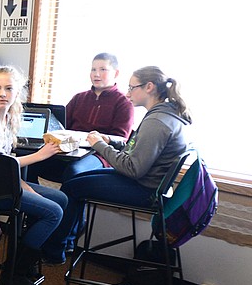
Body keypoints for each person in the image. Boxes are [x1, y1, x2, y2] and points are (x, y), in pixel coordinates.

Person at [41, 65, 193, 262]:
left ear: (149, 87)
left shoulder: (157, 122)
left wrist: (100, 146)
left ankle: (54, 250)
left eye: (131, 88)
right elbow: (137, 146)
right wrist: (111, 141)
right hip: (149, 183)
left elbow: (133, 167)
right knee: (76, 180)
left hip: (145, 190)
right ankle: (65, 239)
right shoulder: (165, 114)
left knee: (72, 187)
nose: (128, 92)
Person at [0, 65, 69, 285]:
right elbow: (1, 166)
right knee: (54, 212)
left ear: (16, 93)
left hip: (2, 180)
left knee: (61, 198)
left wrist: (26, 186)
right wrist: (40, 156)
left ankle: (22, 262)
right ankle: (14, 273)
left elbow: (6, 163)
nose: (2, 94)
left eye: (8, 89)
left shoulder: (8, 118)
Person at [29, 53, 135, 184]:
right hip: (70, 149)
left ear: (116, 73)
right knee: (30, 162)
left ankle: (65, 204)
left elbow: (121, 139)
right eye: (93, 69)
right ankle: (36, 201)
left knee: (75, 171)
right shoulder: (79, 98)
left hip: (99, 154)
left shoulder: (124, 102)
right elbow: (61, 126)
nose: (96, 74)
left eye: (103, 69)